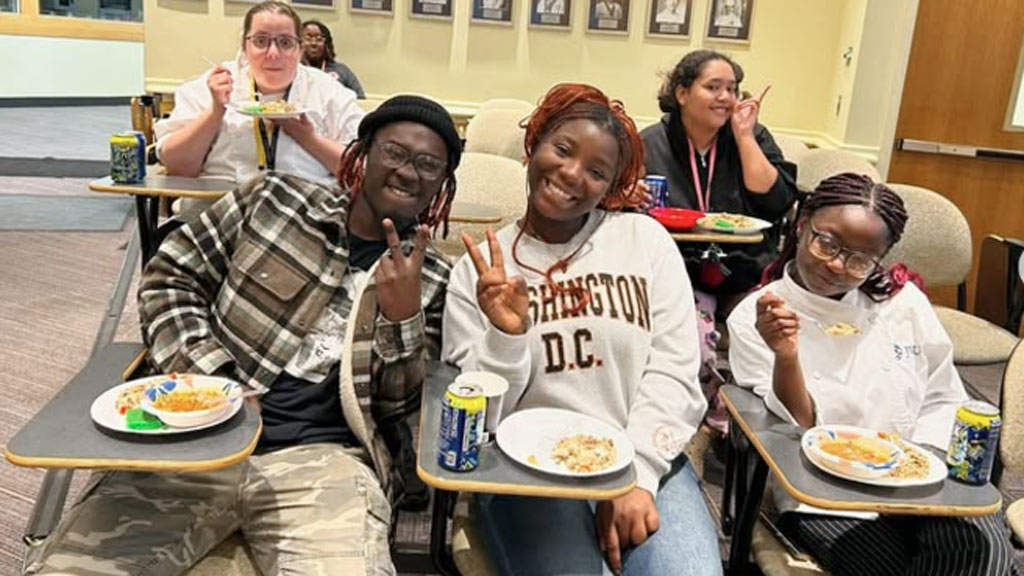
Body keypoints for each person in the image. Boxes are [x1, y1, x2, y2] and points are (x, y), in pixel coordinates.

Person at [24, 95, 463, 576]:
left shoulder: (437, 278)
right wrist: (217, 382)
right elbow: (169, 279)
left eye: (429, 165)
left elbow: (395, 408)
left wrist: (401, 319)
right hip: (196, 444)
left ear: (443, 184)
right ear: (361, 154)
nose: (408, 172)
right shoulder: (273, 200)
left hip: (324, 462)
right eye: (395, 153)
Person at [442, 83, 721, 576]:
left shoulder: (643, 240)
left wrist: (637, 475)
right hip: (525, 475)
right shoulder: (480, 269)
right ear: (534, 143)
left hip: (640, 457)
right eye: (563, 149)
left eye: (597, 171)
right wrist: (507, 336)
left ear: (611, 184)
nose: (572, 174)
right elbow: (480, 421)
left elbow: (676, 368)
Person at [728, 173, 1021, 576]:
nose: (836, 265)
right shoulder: (760, 314)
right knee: (890, 567)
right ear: (801, 224)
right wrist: (787, 355)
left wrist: (928, 462)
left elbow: (942, 395)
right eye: (826, 243)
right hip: (825, 489)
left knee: (981, 550)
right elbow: (798, 424)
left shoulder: (902, 304)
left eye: (860, 260)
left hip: (921, 475)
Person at [641, 49, 797, 437]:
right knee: (692, 329)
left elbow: (776, 201)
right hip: (680, 270)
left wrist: (744, 137)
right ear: (681, 93)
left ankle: (758, 423)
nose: (726, 98)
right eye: (713, 87)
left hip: (742, 267)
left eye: (732, 89)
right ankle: (691, 414)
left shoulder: (752, 136)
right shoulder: (649, 143)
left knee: (771, 321)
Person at [155, 1, 364, 186]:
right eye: (261, 41)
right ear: (244, 48)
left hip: (304, 214)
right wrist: (215, 111)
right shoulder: (212, 84)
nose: (273, 54)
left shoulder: (328, 91)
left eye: (285, 42)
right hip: (219, 208)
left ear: (299, 50)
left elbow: (359, 170)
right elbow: (178, 168)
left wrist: (307, 137)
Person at [300, 20, 366, 99]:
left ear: (327, 44)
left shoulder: (341, 70)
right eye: (308, 38)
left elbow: (360, 100)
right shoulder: (292, 72)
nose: (314, 43)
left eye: (319, 39)